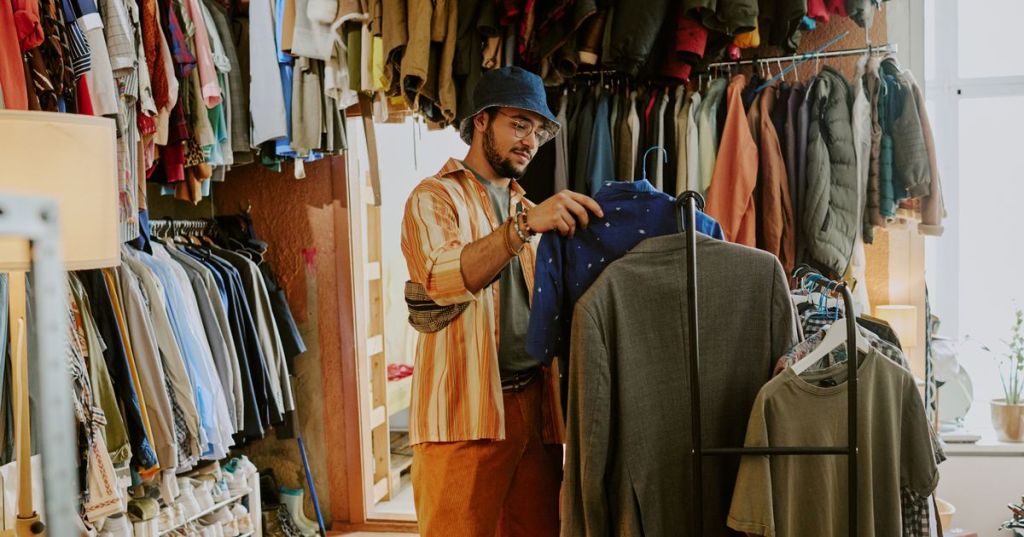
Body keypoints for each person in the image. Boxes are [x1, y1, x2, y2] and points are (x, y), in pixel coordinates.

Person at [400, 66, 603, 537]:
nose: (530, 141)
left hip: (536, 407)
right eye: (518, 124)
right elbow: (440, 277)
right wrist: (523, 229)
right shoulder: (433, 197)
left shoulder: (528, 208)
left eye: (537, 131)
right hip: (463, 411)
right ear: (482, 120)